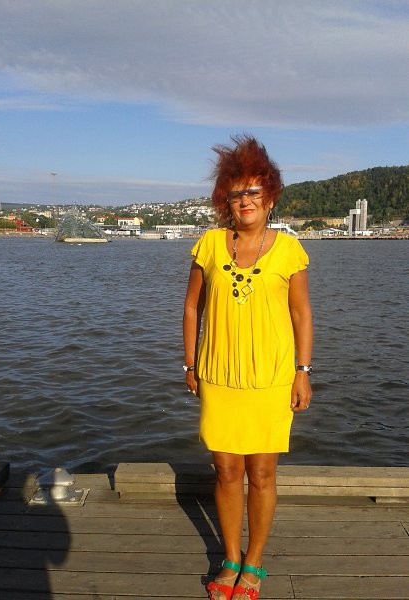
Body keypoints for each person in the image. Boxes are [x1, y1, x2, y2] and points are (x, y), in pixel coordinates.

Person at [183, 135, 313, 600]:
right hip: (219, 374)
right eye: (237, 193)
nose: (246, 200)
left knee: (260, 474)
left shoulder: (289, 249)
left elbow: (301, 314)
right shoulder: (209, 244)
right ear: (226, 200)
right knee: (225, 471)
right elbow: (193, 307)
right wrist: (190, 363)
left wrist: (303, 371)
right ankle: (231, 558)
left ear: (270, 196)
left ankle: (254, 562)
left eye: (254, 191)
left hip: (272, 378)